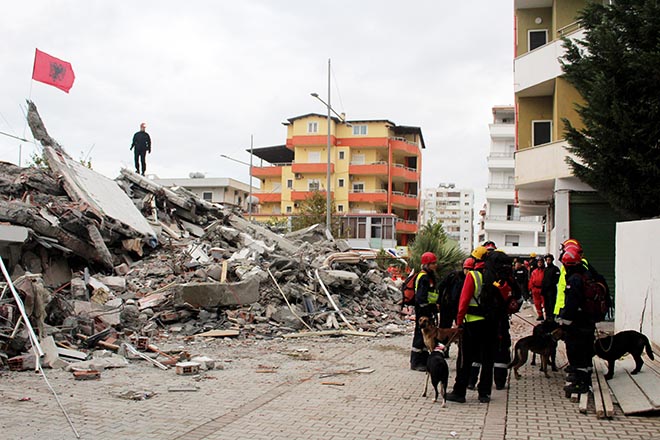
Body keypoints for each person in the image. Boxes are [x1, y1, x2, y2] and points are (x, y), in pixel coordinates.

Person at [446, 246, 514, 403]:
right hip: (492, 324)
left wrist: (458, 321)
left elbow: (464, 301)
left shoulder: (473, 275)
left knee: (466, 358)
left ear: (476, 260)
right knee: (488, 359)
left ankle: (459, 392)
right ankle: (484, 393)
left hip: (472, 324)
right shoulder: (498, 277)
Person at [556, 243, 596, 395]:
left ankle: (580, 384)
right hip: (588, 321)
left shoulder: (574, 280)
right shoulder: (587, 274)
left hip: (578, 323)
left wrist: (563, 322)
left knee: (576, 353)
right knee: (586, 352)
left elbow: (572, 305)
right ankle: (586, 380)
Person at [409, 252, 440, 371]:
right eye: (433, 263)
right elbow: (421, 297)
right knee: (419, 334)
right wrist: (428, 309)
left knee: (426, 335)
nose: (435, 265)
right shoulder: (424, 277)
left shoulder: (429, 276)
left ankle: (424, 361)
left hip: (427, 309)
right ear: (426, 264)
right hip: (423, 310)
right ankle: (416, 362)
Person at [437, 257, 472, 357]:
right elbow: (441, 287)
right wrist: (439, 302)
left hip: (459, 308)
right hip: (447, 307)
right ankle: (442, 351)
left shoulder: (469, 279)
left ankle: (462, 352)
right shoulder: (453, 276)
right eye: (467, 269)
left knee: (460, 331)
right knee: (444, 330)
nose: (468, 272)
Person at [541, 254, 561, 321]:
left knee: (552, 304)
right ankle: (547, 318)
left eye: (549, 260)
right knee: (546, 305)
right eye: (546, 260)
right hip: (545, 290)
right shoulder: (546, 269)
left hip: (552, 290)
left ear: (552, 260)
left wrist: (549, 285)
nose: (548, 261)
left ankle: (552, 318)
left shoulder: (555, 269)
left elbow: (556, 280)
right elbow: (544, 280)